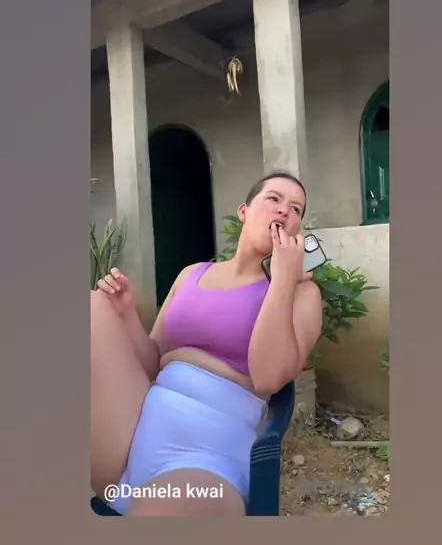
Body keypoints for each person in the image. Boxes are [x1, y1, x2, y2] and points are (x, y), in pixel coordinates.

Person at [90, 171, 323, 516]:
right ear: (244, 211)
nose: (284, 211)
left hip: (207, 457)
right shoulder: (191, 274)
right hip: (135, 431)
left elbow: (268, 378)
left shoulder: (302, 294)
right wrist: (126, 314)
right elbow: (153, 361)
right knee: (94, 306)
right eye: (274, 199)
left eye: (296, 209)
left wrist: (283, 279)